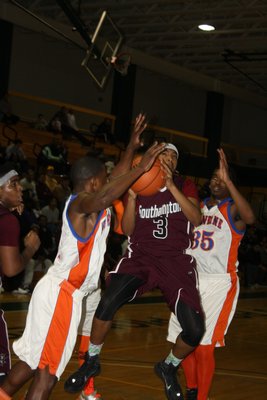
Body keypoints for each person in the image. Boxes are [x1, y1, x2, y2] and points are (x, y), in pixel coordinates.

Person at [0, 114, 165, 400]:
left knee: (29, 364)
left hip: (57, 294)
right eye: (104, 179)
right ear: (92, 183)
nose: (110, 181)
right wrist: (141, 169)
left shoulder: (89, 200)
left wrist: (131, 147)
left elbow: (114, 181)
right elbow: (105, 195)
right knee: (46, 375)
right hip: (62, 297)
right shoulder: (81, 205)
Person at [64, 143, 205, 400]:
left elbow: (196, 219)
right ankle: (92, 361)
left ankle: (168, 366)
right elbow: (127, 230)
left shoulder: (185, 184)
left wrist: (172, 186)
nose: (169, 159)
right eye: (165, 154)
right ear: (154, 159)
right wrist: (131, 196)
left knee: (195, 330)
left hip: (175, 260)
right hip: (141, 256)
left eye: (174, 155)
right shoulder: (139, 184)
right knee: (108, 302)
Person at [167, 148, 255, 400]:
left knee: (204, 347)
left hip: (218, 283)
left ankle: (201, 397)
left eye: (222, 178)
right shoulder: (199, 207)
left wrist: (228, 181)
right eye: (214, 177)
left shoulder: (232, 211)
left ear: (230, 183)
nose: (216, 181)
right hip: (191, 279)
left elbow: (249, 217)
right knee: (183, 341)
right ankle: (192, 391)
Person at [0, 164, 40, 385]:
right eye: (13, 185)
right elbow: (11, 268)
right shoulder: (7, 220)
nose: (20, 189)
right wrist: (30, 250)